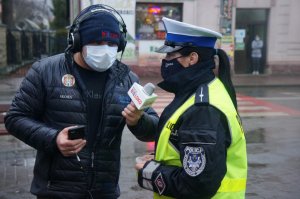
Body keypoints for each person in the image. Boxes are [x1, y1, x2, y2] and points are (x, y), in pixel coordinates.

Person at [4, 4, 158, 199]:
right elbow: (15, 118)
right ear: (77, 41)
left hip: (105, 191)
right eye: (97, 42)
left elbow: (154, 130)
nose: (105, 49)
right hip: (56, 190)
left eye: (112, 44)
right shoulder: (45, 71)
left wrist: (138, 120)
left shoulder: (127, 79)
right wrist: (53, 139)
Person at [129, 17, 248, 198]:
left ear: (192, 58)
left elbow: (198, 185)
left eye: (170, 55)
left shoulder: (203, 108)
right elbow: (179, 141)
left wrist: (151, 172)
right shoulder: (200, 90)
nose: (165, 60)